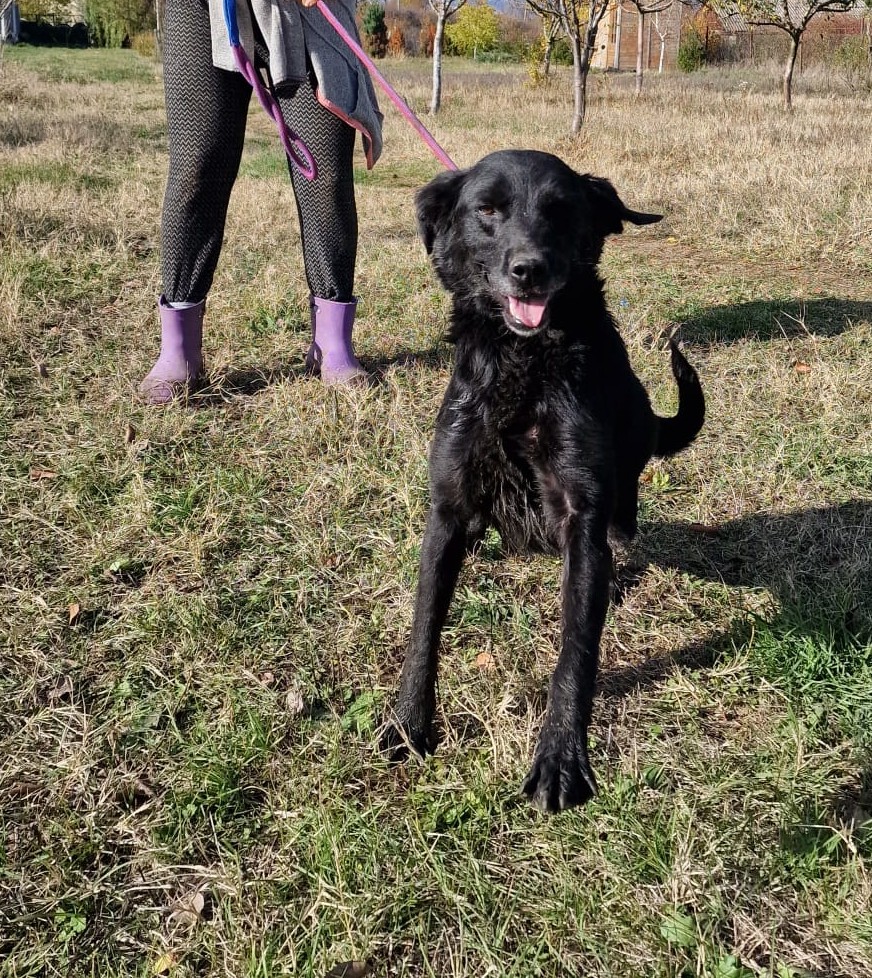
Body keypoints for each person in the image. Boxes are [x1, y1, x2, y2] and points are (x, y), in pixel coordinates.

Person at [140, 0, 383, 403]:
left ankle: (332, 343)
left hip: (305, 10)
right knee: (198, 162)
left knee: (324, 170)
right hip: (203, 7)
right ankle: (179, 349)